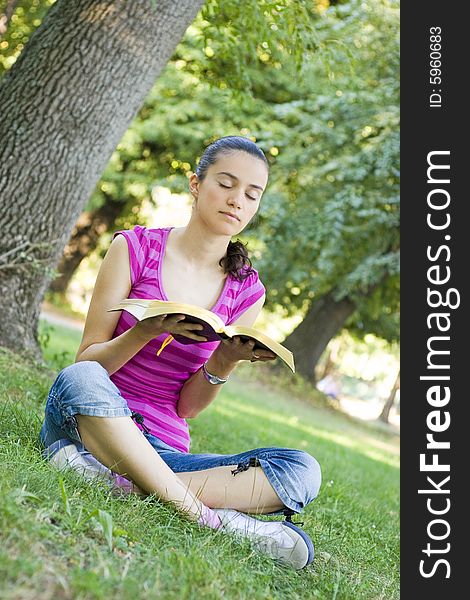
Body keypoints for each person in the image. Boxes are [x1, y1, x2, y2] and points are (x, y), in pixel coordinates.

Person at [39, 136, 322, 570]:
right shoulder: (133, 249)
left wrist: (224, 361)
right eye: (226, 184)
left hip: (164, 448)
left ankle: (122, 480)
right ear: (195, 183)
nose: (237, 201)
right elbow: (87, 363)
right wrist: (147, 329)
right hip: (91, 421)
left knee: (301, 469)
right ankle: (209, 517)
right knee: (78, 378)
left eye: (252, 194)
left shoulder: (248, 290)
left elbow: (186, 408)